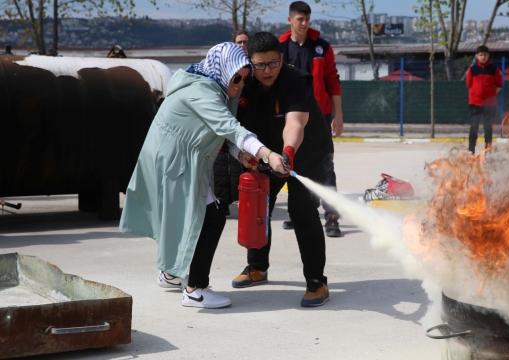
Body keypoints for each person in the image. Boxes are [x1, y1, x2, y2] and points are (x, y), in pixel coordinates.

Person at [119, 43, 286, 309]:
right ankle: (196, 289)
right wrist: (268, 154)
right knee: (211, 217)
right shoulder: (202, 91)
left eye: (245, 78)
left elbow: (222, 133)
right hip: (176, 161)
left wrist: (239, 153)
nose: (241, 84)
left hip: (179, 158)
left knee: (183, 217)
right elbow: (228, 125)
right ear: (223, 71)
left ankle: (171, 274)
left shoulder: (216, 88)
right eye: (237, 78)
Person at [231, 32, 334, 307]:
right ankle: (257, 267)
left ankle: (316, 282)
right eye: (260, 65)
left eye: (274, 63)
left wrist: (288, 152)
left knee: (301, 212)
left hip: (307, 152)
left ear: (281, 58)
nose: (268, 71)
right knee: (258, 204)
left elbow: (295, 124)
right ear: (250, 62)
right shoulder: (245, 81)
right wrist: (248, 153)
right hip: (266, 151)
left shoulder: (295, 80)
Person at [278, 1, 343, 238]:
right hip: (290, 116)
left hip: (320, 117)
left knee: (326, 165)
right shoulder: (280, 48)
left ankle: (332, 215)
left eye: (307, 19)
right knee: (295, 163)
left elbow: (332, 81)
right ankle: (302, 213)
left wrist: (339, 115)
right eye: (299, 19)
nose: (304, 23)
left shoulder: (322, 47)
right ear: (290, 20)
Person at [211, 30, 251, 216]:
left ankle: (238, 197)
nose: (243, 46)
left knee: (238, 167)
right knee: (219, 166)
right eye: (239, 42)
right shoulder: (222, 76)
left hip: (241, 127)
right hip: (225, 129)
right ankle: (222, 201)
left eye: (245, 42)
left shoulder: (250, 73)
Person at [465, 45, 502, 157]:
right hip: (475, 103)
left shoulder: (494, 69)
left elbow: (499, 85)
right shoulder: (472, 70)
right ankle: (471, 150)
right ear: (477, 56)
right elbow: (469, 84)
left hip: (489, 104)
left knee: (488, 127)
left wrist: (490, 95)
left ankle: (488, 150)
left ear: (488, 55)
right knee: (474, 127)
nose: (483, 57)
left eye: (485, 54)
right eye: (480, 55)